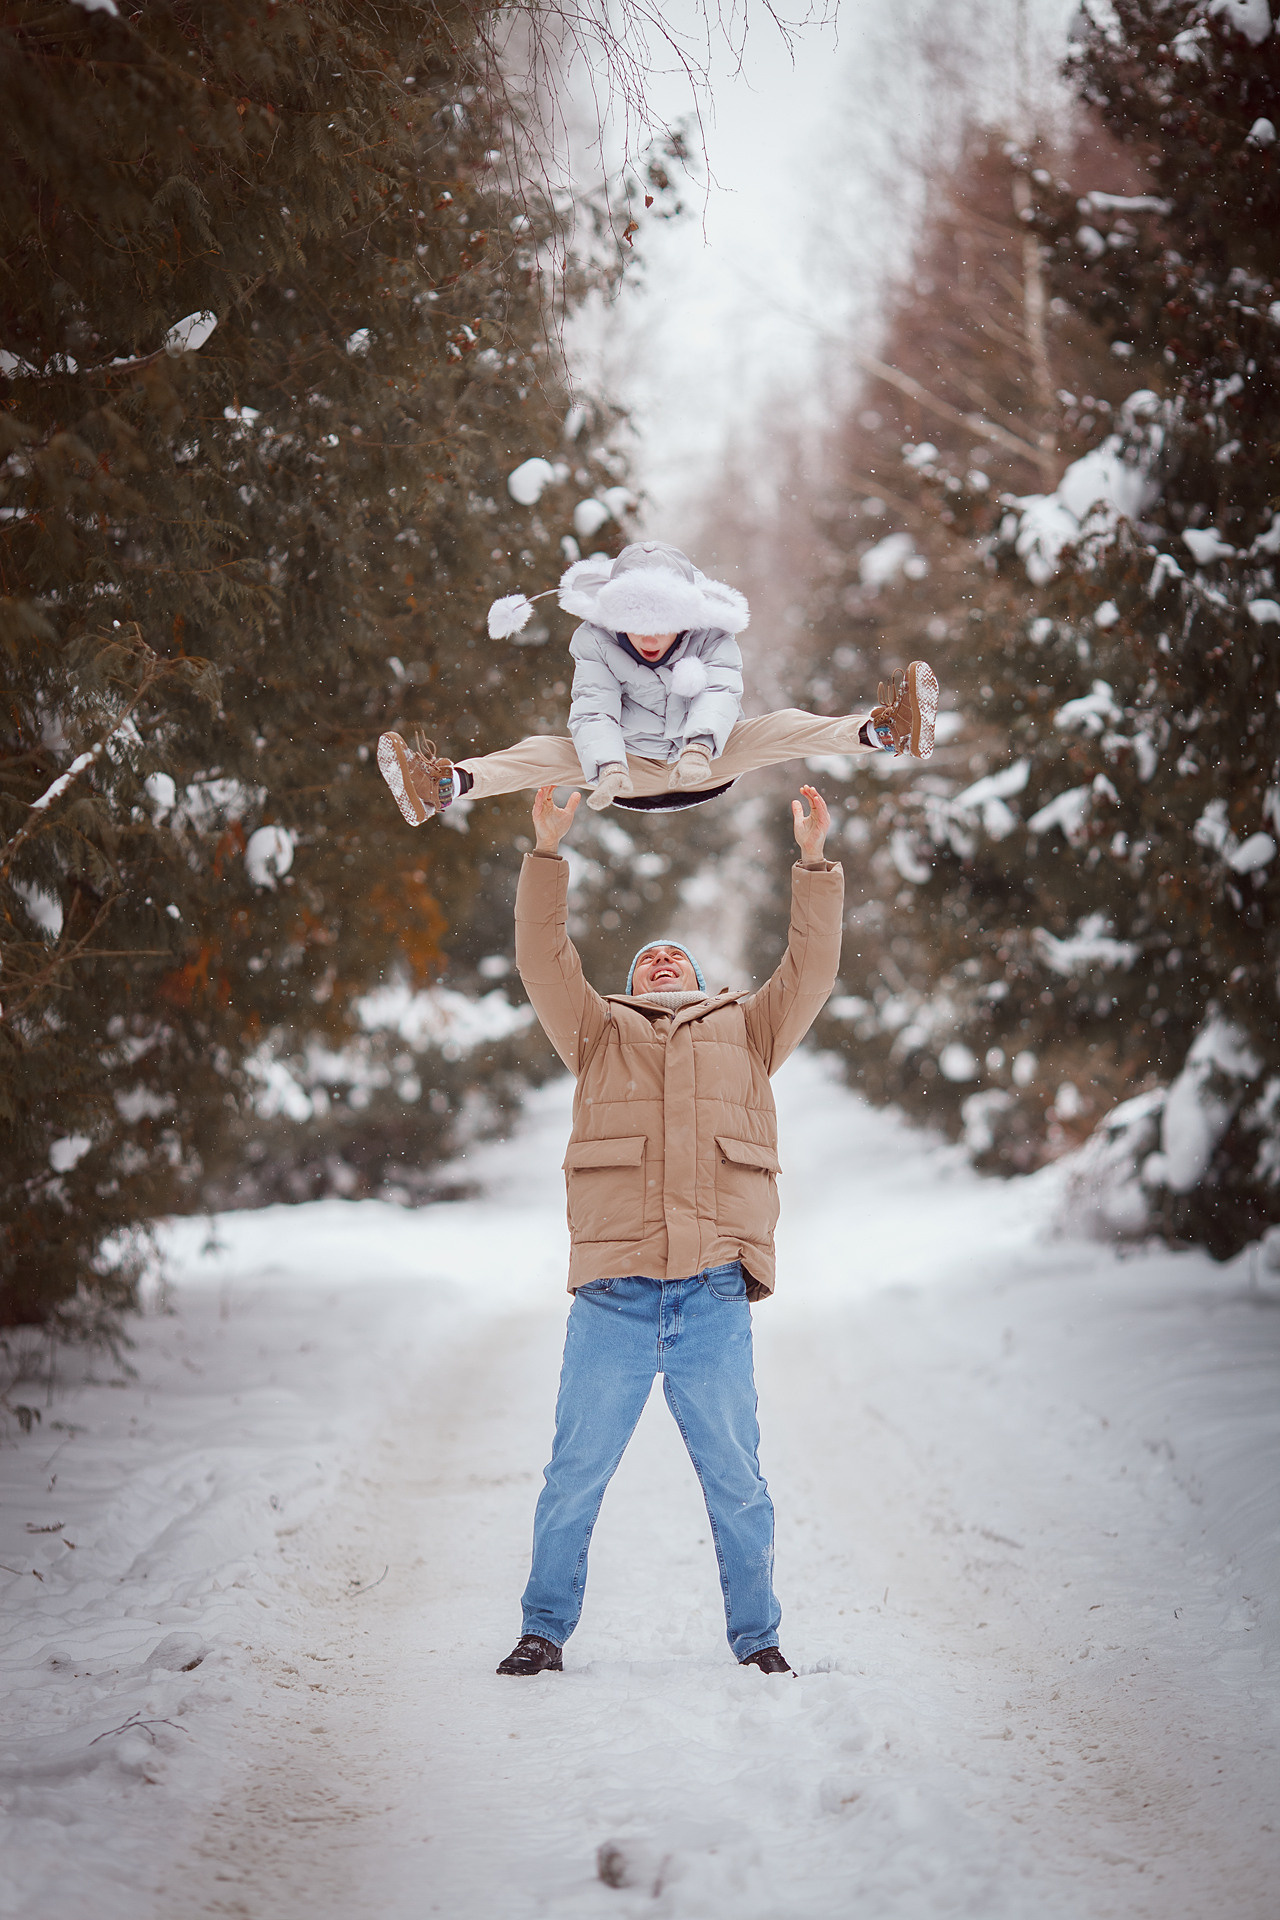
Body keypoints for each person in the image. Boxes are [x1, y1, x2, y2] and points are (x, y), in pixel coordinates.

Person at [495, 779, 843, 1677]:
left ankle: (759, 1639)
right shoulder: (598, 1031)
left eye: (674, 956)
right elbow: (543, 959)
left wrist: (812, 863)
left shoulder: (748, 1031)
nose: (659, 960)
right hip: (613, 1297)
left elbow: (810, 970)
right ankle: (543, 1630)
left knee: (737, 1483)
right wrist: (545, 850)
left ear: (700, 977)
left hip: (714, 1294)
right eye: (646, 956)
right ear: (626, 980)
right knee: (574, 1476)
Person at [376, 542, 939, 825]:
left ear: (686, 617)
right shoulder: (594, 644)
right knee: (542, 752)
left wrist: (699, 747)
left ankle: (885, 733)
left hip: (708, 763)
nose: (648, 638)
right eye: (634, 625)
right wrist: (609, 766)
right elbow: (592, 710)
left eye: (660, 624)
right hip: (623, 771)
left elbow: (721, 695)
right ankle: (445, 787)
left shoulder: (714, 640)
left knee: (780, 728)